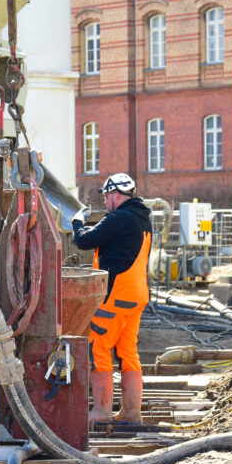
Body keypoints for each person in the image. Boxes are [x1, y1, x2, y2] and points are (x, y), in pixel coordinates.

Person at [71, 173, 153, 426]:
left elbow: (84, 240)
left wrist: (76, 221)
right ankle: (131, 413)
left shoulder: (119, 218)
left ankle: (102, 412)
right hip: (136, 295)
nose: (106, 201)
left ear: (116, 195)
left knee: (99, 347)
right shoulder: (143, 219)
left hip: (116, 296)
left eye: (107, 196)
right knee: (129, 352)